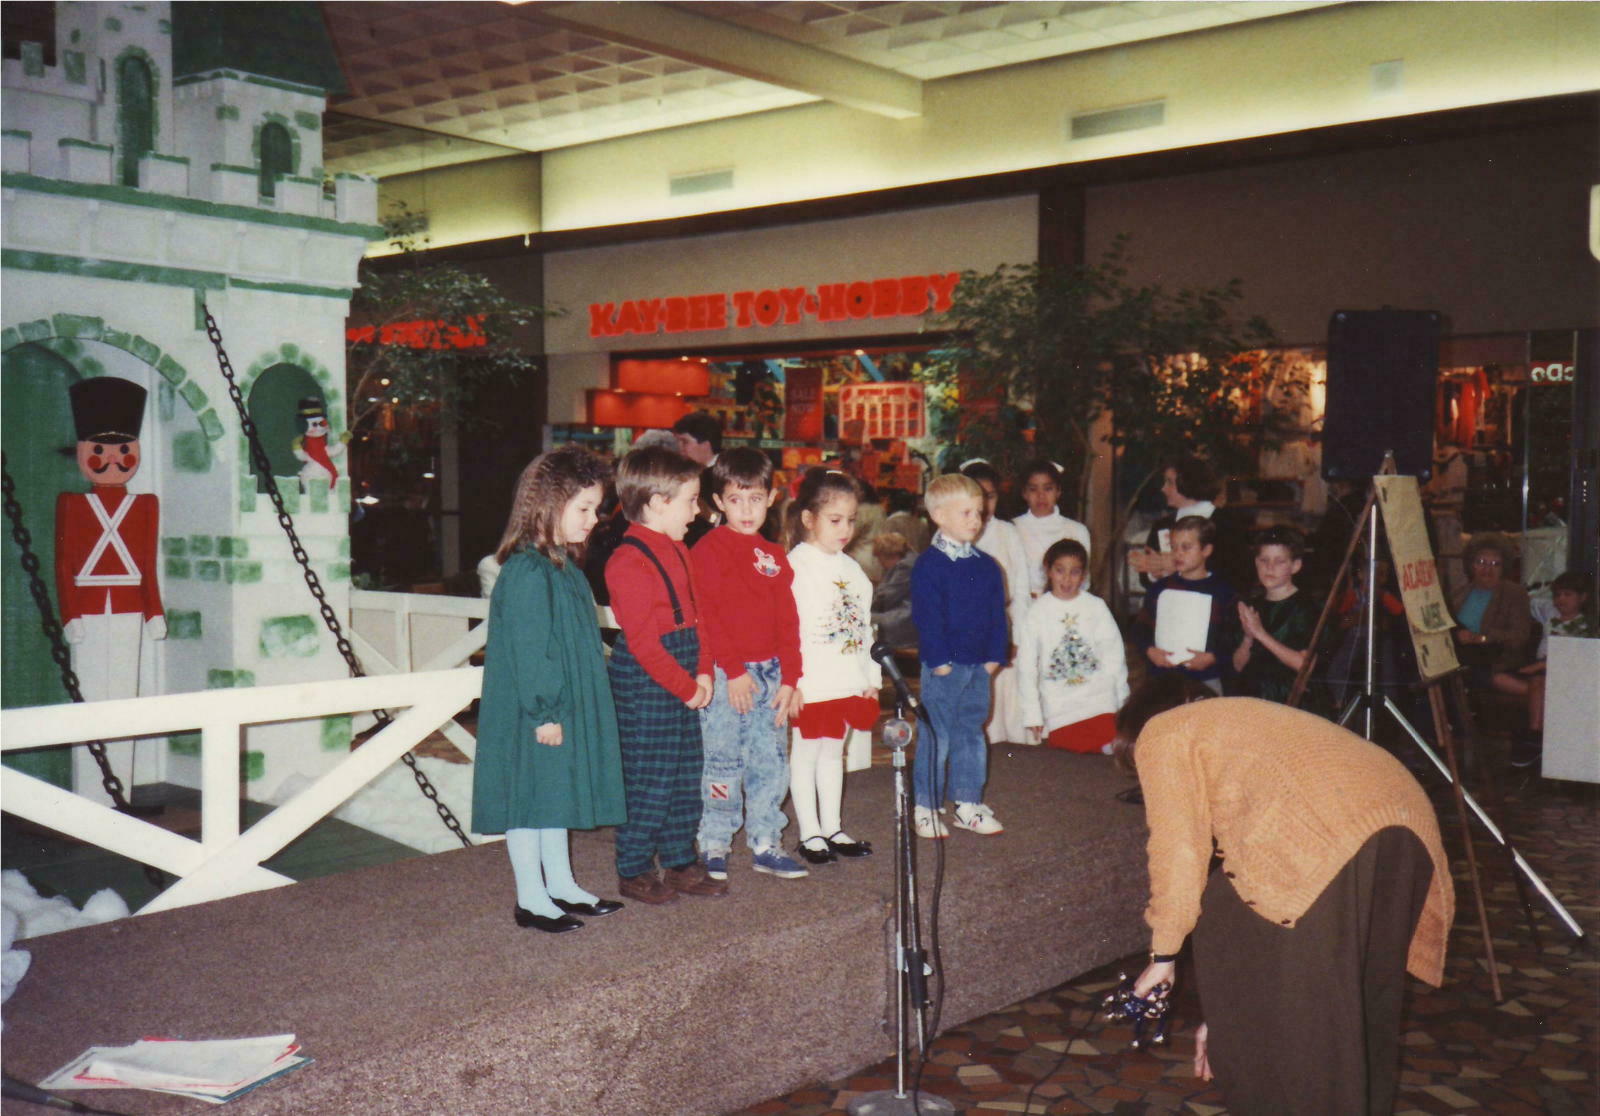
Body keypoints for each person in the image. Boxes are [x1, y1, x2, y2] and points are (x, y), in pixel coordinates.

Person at [1118, 677, 1454, 1116]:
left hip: (1327, 840)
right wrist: (1223, 1015)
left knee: (1302, 1044)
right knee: (1357, 1021)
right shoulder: (1246, 716)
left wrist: (1163, 956)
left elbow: (1177, 848)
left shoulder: (1164, 730)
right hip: (1406, 831)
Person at [471, 446, 627, 934]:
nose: (593, 520)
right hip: (535, 712)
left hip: (561, 705)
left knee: (552, 795)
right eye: (583, 508)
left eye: (595, 509)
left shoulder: (562, 567)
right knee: (529, 799)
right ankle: (531, 897)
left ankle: (559, 883)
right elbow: (531, 649)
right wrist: (546, 712)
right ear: (546, 505)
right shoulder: (527, 572)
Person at [604, 445, 727, 905]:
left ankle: (678, 858)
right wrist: (685, 686)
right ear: (658, 503)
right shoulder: (625, 561)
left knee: (684, 770)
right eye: (692, 500)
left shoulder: (678, 549)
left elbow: (699, 617)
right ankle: (634, 866)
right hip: (648, 678)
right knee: (648, 774)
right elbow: (642, 644)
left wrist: (703, 670)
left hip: (686, 666)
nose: (698, 511)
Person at [688, 448, 808, 880]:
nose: (746, 509)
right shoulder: (708, 549)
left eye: (755, 499)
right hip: (726, 673)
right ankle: (715, 840)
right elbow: (710, 615)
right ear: (718, 501)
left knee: (770, 759)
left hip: (771, 671)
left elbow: (787, 622)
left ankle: (765, 840)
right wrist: (734, 671)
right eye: (736, 499)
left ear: (771, 497)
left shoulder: (774, 555)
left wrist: (791, 678)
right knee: (722, 758)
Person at [786, 468, 880, 866]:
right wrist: (793, 681)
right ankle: (809, 831)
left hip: (845, 677)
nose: (845, 529)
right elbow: (789, 631)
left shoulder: (853, 570)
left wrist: (870, 678)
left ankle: (832, 826)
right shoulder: (796, 566)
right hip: (812, 679)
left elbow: (864, 629)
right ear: (809, 518)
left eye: (851, 521)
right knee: (807, 752)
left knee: (833, 752)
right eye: (835, 520)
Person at [910, 473, 1009, 838]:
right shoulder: (929, 565)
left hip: (979, 665)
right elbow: (927, 617)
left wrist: (994, 657)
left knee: (971, 732)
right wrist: (939, 662)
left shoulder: (986, 565)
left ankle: (967, 803)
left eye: (979, 512)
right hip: (944, 666)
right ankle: (926, 805)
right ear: (938, 515)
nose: (976, 520)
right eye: (966, 512)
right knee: (937, 735)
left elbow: (997, 615)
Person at [1017, 539, 1129, 753]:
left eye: (1075, 572)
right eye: (1060, 571)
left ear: (1083, 575)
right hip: (1060, 706)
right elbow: (1027, 666)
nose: (1067, 579)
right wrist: (1032, 712)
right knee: (1071, 769)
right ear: (1048, 570)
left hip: (1100, 701)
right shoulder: (1037, 612)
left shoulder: (1095, 607)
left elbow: (1114, 655)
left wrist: (1121, 699)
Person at [962, 460, 1032, 746]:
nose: (984, 505)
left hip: (1002, 626)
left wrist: (1016, 635)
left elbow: (1021, 588)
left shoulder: (1008, 532)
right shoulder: (952, 535)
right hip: (967, 630)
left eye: (989, 496)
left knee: (1006, 701)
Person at [1131, 515, 1238, 694]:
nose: (1178, 553)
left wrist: (1213, 657)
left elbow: (1233, 637)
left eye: (1186, 547)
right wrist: (1150, 651)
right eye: (1174, 547)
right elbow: (1140, 629)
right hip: (1162, 677)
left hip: (1205, 679)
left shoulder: (1223, 592)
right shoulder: (1159, 588)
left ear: (1206, 550)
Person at [1502, 570, 1594, 768]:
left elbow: (1575, 658)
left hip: (1566, 673)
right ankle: (1535, 735)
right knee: (1537, 681)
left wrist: (1540, 665)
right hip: (1541, 672)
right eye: (1558, 595)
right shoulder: (1549, 614)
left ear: (1583, 598)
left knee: (1537, 678)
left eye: (1568, 594)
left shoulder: (1584, 625)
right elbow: (1529, 599)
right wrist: (1544, 589)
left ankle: (1535, 735)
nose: (1561, 599)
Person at [1230, 526, 1318, 704]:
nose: (1270, 567)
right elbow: (1238, 665)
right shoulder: (1254, 604)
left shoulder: (1307, 607)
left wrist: (1260, 634)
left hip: (1290, 699)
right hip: (1253, 697)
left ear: (1296, 565)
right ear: (1256, 562)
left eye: (1279, 561)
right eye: (1264, 560)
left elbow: (1304, 666)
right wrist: (1248, 637)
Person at [1449, 533, 1532, 691]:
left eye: (1495, 564)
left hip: (1495, 659)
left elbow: (1520, 636)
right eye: (1481, 562)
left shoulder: (1514, 593)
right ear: (1471, 565)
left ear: (1504, 568)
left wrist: (1482, 638)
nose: (1487, 569)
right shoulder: (1458, 593)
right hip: (1460, 658)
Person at [1011, 459, 1091, 598]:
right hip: (1025, 606)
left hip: (1065, 604)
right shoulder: (1013, 528)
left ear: (1058, 491)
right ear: (1024, 493)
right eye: (1033, 489)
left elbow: (1084, 580)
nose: (1041, 496)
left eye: (1048, 489)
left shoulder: (1077, 530)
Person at [672, 411, 722, 546]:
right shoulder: (694, 473)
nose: (680, 448)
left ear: (706, 444)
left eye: (685, 442)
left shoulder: (725, 475)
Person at [870, 531, 918, 650]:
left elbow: (886, 597)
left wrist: (864, 604)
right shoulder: (912, 560)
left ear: (887, 555)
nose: (880, 564)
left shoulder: (905, 566)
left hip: (907, 619)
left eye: (879, 558)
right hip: (911, 616)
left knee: (863, 619)